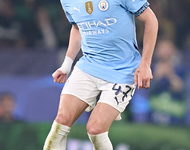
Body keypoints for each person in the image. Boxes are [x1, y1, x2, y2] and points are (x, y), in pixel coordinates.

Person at [43, 0, 158, 149]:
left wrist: (145, 64)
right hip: (88, 66)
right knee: (61, 121)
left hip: (122, 70)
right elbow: (77, 28)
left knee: (95, 130)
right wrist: (66, 65)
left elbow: (151, 20)